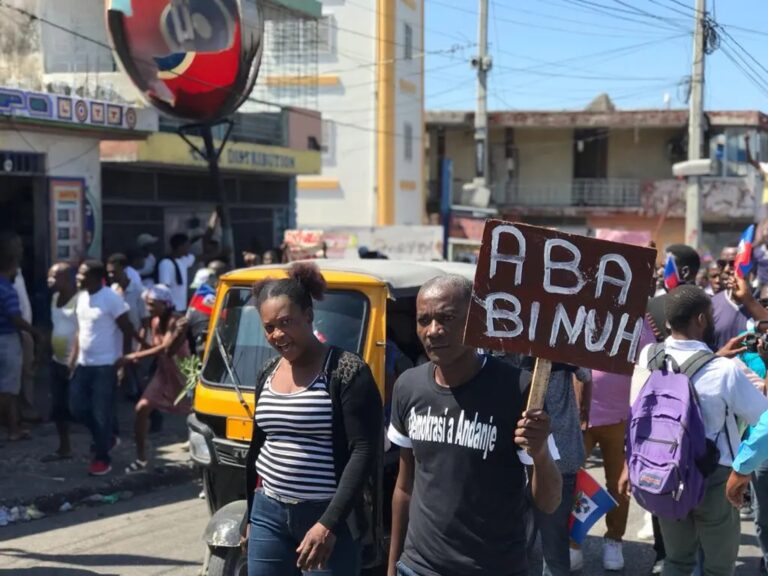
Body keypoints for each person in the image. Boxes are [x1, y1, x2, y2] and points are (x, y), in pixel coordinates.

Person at [387, 275, 562, 576]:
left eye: (446, 318)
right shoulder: (408, 386)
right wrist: (393, 567)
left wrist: (541, 452)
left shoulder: (518, 389)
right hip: (417, 568)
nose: (433, 331)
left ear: (475, 320)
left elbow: (549, 503)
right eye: (423, 320)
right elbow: (405, 487)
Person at [241, 262, 381, 576]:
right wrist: (250, 516)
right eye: (268, 327)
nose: (277, 334)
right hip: (268, 513)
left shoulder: (346, 371)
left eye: (286, 322)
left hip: (327, 517)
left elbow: (364, 451)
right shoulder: (267, 372)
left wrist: (328, 524)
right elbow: (258, 447)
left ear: (308, 315)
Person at [622, 285, 768, 576]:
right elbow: (763, 420)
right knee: (718, 566)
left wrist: (630, 463)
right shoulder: (725, 371)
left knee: (677, 561)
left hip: (663, 470)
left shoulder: (649, 356)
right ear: (701, 319)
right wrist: (742, 470)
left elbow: (636, 412)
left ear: (667, 322)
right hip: (715, 477)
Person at [70, 260, 136, 476]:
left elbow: (127, 328)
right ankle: (105, 437)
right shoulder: (81, 298)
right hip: (84, 364)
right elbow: (81, 330)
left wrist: (124, 359)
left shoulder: (110, 298)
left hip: (106, 366)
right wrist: (73, 360)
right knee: (76, 407)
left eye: (82, 274)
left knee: (101, 412)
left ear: (96, 277)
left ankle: (102, 458)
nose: (78, 278)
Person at [117, 285, 191, 473]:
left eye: (152, 305)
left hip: (183, 372)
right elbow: (154, 345)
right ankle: (141, 459)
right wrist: (137, 341)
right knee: (141, 408)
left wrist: (133, 357)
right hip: (164, 372)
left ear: (165, 304)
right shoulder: (155, 320)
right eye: (147, 305)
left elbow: (164, 348)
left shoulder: (176, 320)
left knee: (197, 415)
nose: (149, 308)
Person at [0, 234, 38, 441]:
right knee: (8, 388)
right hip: (7, 339)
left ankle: (14, 428)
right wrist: (34, 332)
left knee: (12, 388)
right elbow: (15, 317)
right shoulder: (7, 289)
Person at [42, 262, 78, 461]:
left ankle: (103, 442)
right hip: (57, 361)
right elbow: (53, 326)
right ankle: (65, 447)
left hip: (77, 363)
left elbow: (83, 331)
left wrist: (73, 361)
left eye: (53, 277)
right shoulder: (55, 298)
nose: (49, 281)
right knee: (59, 407)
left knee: (81, 406)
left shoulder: (80, 300)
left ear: (66, 279)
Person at [711, 246, 768, 350]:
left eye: (733, 264)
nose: (727, 269)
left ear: (751, 267)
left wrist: (748, 300)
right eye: (722, 264)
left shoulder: (764, 300)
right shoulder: (710, 305)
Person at [158, 233, 196, 313]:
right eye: (187, 246)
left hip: (182, 307)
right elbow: (164, 288)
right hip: (172, 309)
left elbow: (199, 258)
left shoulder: (182, 261)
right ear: (180, 247)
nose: (188, 249)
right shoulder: (166, 263)